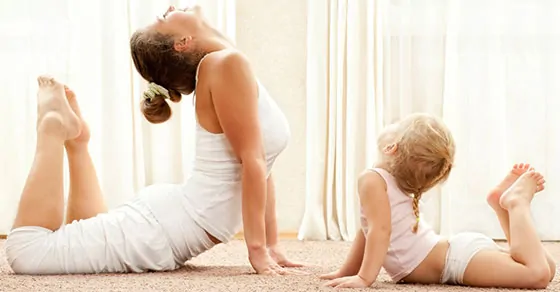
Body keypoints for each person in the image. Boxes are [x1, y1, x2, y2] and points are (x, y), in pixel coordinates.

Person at [5, 5, 301, 275]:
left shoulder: (227, 62)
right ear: (183, 41)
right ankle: (52, 129)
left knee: (76, 235)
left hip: (170, 221)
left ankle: (77, 142)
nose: (170, 7)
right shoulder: (223, 65)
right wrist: (258, 251)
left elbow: (262, 164)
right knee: (26, 253)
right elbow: (253, 161)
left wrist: (273, 245)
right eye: (164, 17)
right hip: (163, 230)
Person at [319, 113, 556, 289]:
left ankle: (516, 205)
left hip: (455, 260)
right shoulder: (384, 180)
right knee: (546, 268)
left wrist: (364, 278)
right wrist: (348, 271)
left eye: (397, 125)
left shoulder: (372, 179)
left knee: (537, 275)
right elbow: (369, 228)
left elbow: (379, 232)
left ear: (391, 147)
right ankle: (500, 205)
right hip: (455, 252)